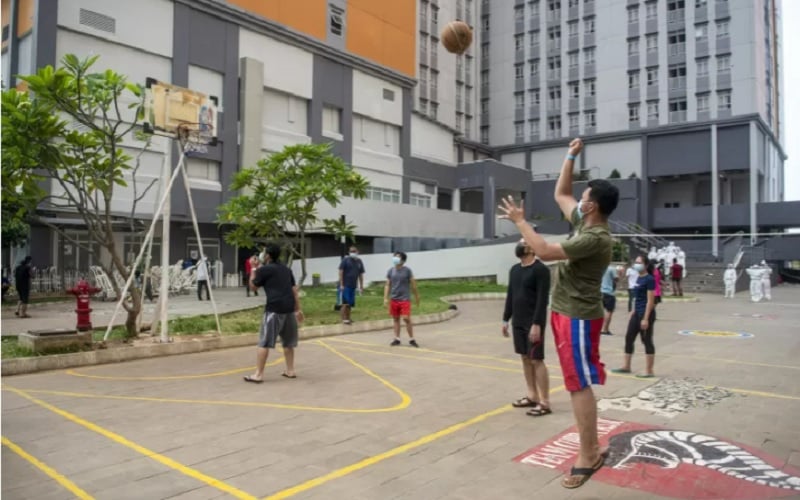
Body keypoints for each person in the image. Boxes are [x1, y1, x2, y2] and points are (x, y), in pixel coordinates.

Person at [498, 137, 619, 489]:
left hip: (579, 317)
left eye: (585, 198)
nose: (578, 200)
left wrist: (520, 222)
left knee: (578, 385)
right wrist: (570, 156)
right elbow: (561, 194)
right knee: (575, 382)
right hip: (566, 312)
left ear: (593, 206)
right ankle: (590, 448)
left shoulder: (594, 237)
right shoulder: (586, 221)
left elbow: (546, 251)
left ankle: (590, 454)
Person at [503, 239, 552, 417]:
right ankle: (532, 395)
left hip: (533, 324)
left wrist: (537, 324)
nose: (519, 245)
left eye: (522, 242)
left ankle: (545, 402)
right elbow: (511, 295)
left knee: (536, 359)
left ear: (532, 248)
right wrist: (505, 318)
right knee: (524, 358)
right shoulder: (515, 270)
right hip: (518, 322)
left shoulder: (541, 270)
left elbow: (542, 299)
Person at [244, 244, 303, 383]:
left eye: (264, 253)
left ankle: (258, 374)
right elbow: (294, 291)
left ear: (268, 256)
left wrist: (253, 268)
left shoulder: (264, 270)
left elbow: (253, 287)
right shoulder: (286, 270)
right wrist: (298, 310)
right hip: (288, 308)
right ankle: (290, 370)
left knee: (264, 342)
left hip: (274, 309)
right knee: (288, 343)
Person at [613, 256, 657, 378]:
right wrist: (633, 310)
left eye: (639, 262)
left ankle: (649, 370)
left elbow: (650, 301)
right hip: (637, 312)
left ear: (646, 265)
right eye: (636, 262)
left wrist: (646, 318)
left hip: (645, 313)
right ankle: (626, 366)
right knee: (629, 338)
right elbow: (636, 297)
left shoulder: (649, 279)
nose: (636, 264)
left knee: (646, 340)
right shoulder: (638, 278)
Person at [384, 252, 421, 347]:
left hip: (405, 299)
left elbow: (413, 284)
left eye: (398, 257)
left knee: (406, 318)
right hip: (394, 299)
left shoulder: (407, 271)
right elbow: (387, 285)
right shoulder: (390, 271)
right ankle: (397, 338)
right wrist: (385, 298)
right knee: (396, 319)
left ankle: (412, 339)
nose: (395, 259)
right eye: (394, 257)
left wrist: (417, 296)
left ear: (403, 260)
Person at [338, 246, 365, 325]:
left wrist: (361, 286)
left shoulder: (359, 261)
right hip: (345, 285)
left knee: (350, 304)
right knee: (345, 303)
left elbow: (361, 274)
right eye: (351, 251)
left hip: (353, 286)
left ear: (357, 252)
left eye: (354, 251)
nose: (352, 253)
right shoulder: (346, 260)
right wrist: (342, 284)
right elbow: (341, 272)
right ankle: (343, 319)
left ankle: (348, 318)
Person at [600, 264, 617, 336]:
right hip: (609, 293)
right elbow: (616, 279)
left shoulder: (599, 267)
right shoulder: (611, 268)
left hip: (599, 292)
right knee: (609, 311)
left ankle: (599, 328)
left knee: (600, 311)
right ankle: (605, 329)